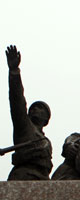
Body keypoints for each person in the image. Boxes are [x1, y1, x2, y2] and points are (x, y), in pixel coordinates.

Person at [5, 45, 52, 180]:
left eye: (39, 108)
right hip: (24, 176)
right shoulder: (24, 128)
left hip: (43, 179)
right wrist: (14, 71)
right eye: (32, 108)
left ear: (46, 118)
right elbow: (17, 101)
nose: (34, 109)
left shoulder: (46, 141)